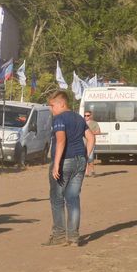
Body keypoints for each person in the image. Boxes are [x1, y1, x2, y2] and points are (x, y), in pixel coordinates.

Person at [45, 89, 95, 247]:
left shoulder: (59, 118)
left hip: (65, 161)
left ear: (61, 104)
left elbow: (61, 141)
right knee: (73, 199)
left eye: (52, 106)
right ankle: (73, 237)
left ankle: (59, 235)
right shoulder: (79, 118)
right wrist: (85, 157)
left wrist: (57, 164)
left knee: (57, 199)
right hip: (79, 160)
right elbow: (91, 137)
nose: (51, 109)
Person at [84, 110, 101, 176]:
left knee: (90, 157)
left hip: (91, 142)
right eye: (85, 115)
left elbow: (99, 132)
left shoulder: (94, 123)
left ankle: (92, 170)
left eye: (88, 115)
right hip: (83, 141)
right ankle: (86, 172)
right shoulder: (82, 122)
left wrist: (90, 133)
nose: (86, 117)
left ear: (90, 116)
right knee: (84, 156)